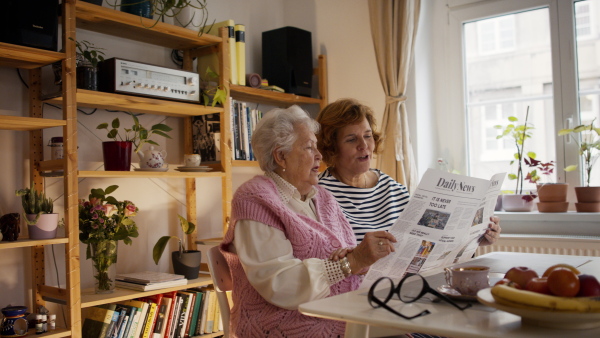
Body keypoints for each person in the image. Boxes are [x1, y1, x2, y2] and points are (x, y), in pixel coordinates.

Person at [219, 105, 397, 337]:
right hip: (285, 324)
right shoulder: (255, 199)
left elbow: (347, 257)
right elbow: (280, 283)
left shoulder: (322, 197)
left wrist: (360, 261)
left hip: (343, 310)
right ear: (281, 156)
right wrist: (350, 263)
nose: (319, 155)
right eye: (308, 147)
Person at [316, 98, 501, 245]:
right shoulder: (318, 194)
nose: (364, 146)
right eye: (351, 139)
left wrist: (475, 238)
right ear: (331, 147)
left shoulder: (393, 189)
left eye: (367, 136)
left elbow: (428, 239)